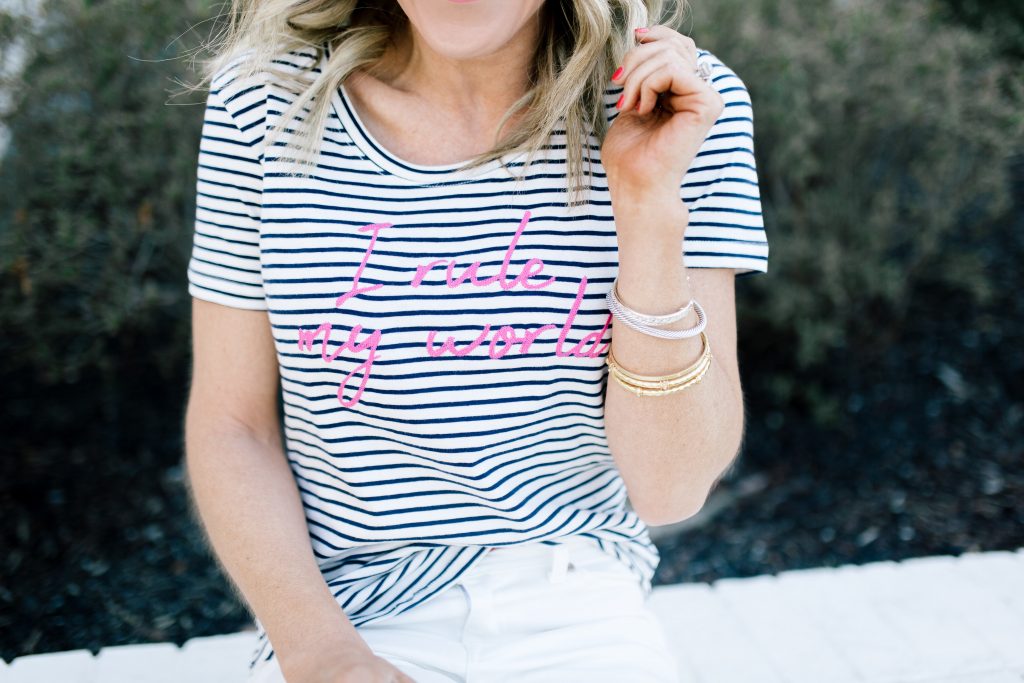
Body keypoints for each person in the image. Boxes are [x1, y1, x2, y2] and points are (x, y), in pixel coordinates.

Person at [182, 0, 769, 681]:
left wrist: (646, 204)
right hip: (353, 612)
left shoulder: (677, 103)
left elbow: (671, 488)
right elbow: (233, 424)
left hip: (575, 599)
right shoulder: (264, 100)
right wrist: (322, 653)